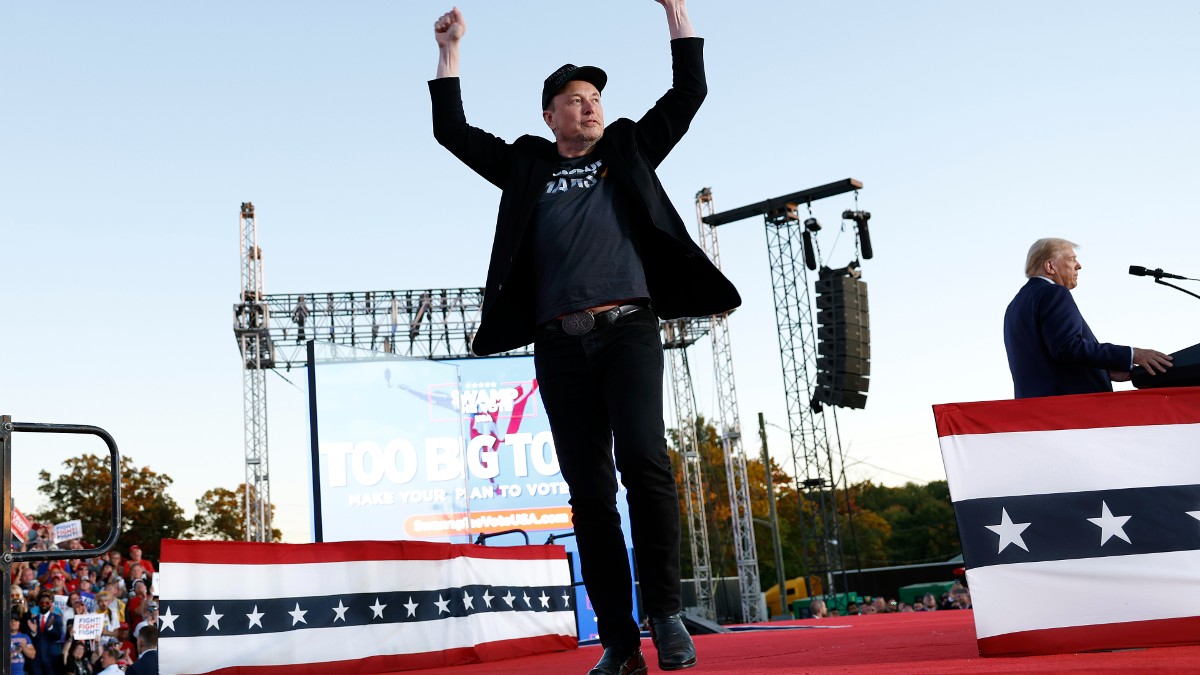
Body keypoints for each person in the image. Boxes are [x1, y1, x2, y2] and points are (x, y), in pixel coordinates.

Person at [429, 2, 739, 672]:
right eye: (575, 99)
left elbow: (690, 93)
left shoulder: (628, 147)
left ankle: (663, 612)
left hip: (627, 330)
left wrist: (676, 10)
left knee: (646, 463)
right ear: (549, 115)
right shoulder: (525, 164)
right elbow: (451, 131)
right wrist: (450, 52)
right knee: (589, 491)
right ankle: (621, 641)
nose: (590, 107)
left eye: (596, 97)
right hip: (560, 345)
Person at [1003, 238, 1172, 398]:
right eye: (1071, 259)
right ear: (1050, 266)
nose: (1079, 266)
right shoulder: (1053, 292)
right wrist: (1132, 354)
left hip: (1035, 411)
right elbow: (1067, 347)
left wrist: (1103, 371)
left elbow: (1048, 357)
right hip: (1070, 409)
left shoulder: (1014, 306)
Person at [24, 591, 63, 675]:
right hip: (36, 658)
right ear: (38, 604)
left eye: (47, 603)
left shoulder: (56, 618)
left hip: (52, 658)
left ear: (50, 604)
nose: (44, 605)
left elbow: (58, 636)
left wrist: (50, 627)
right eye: (42, 603)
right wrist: (34, 633)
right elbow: (28, 639)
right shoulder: (33, 620)